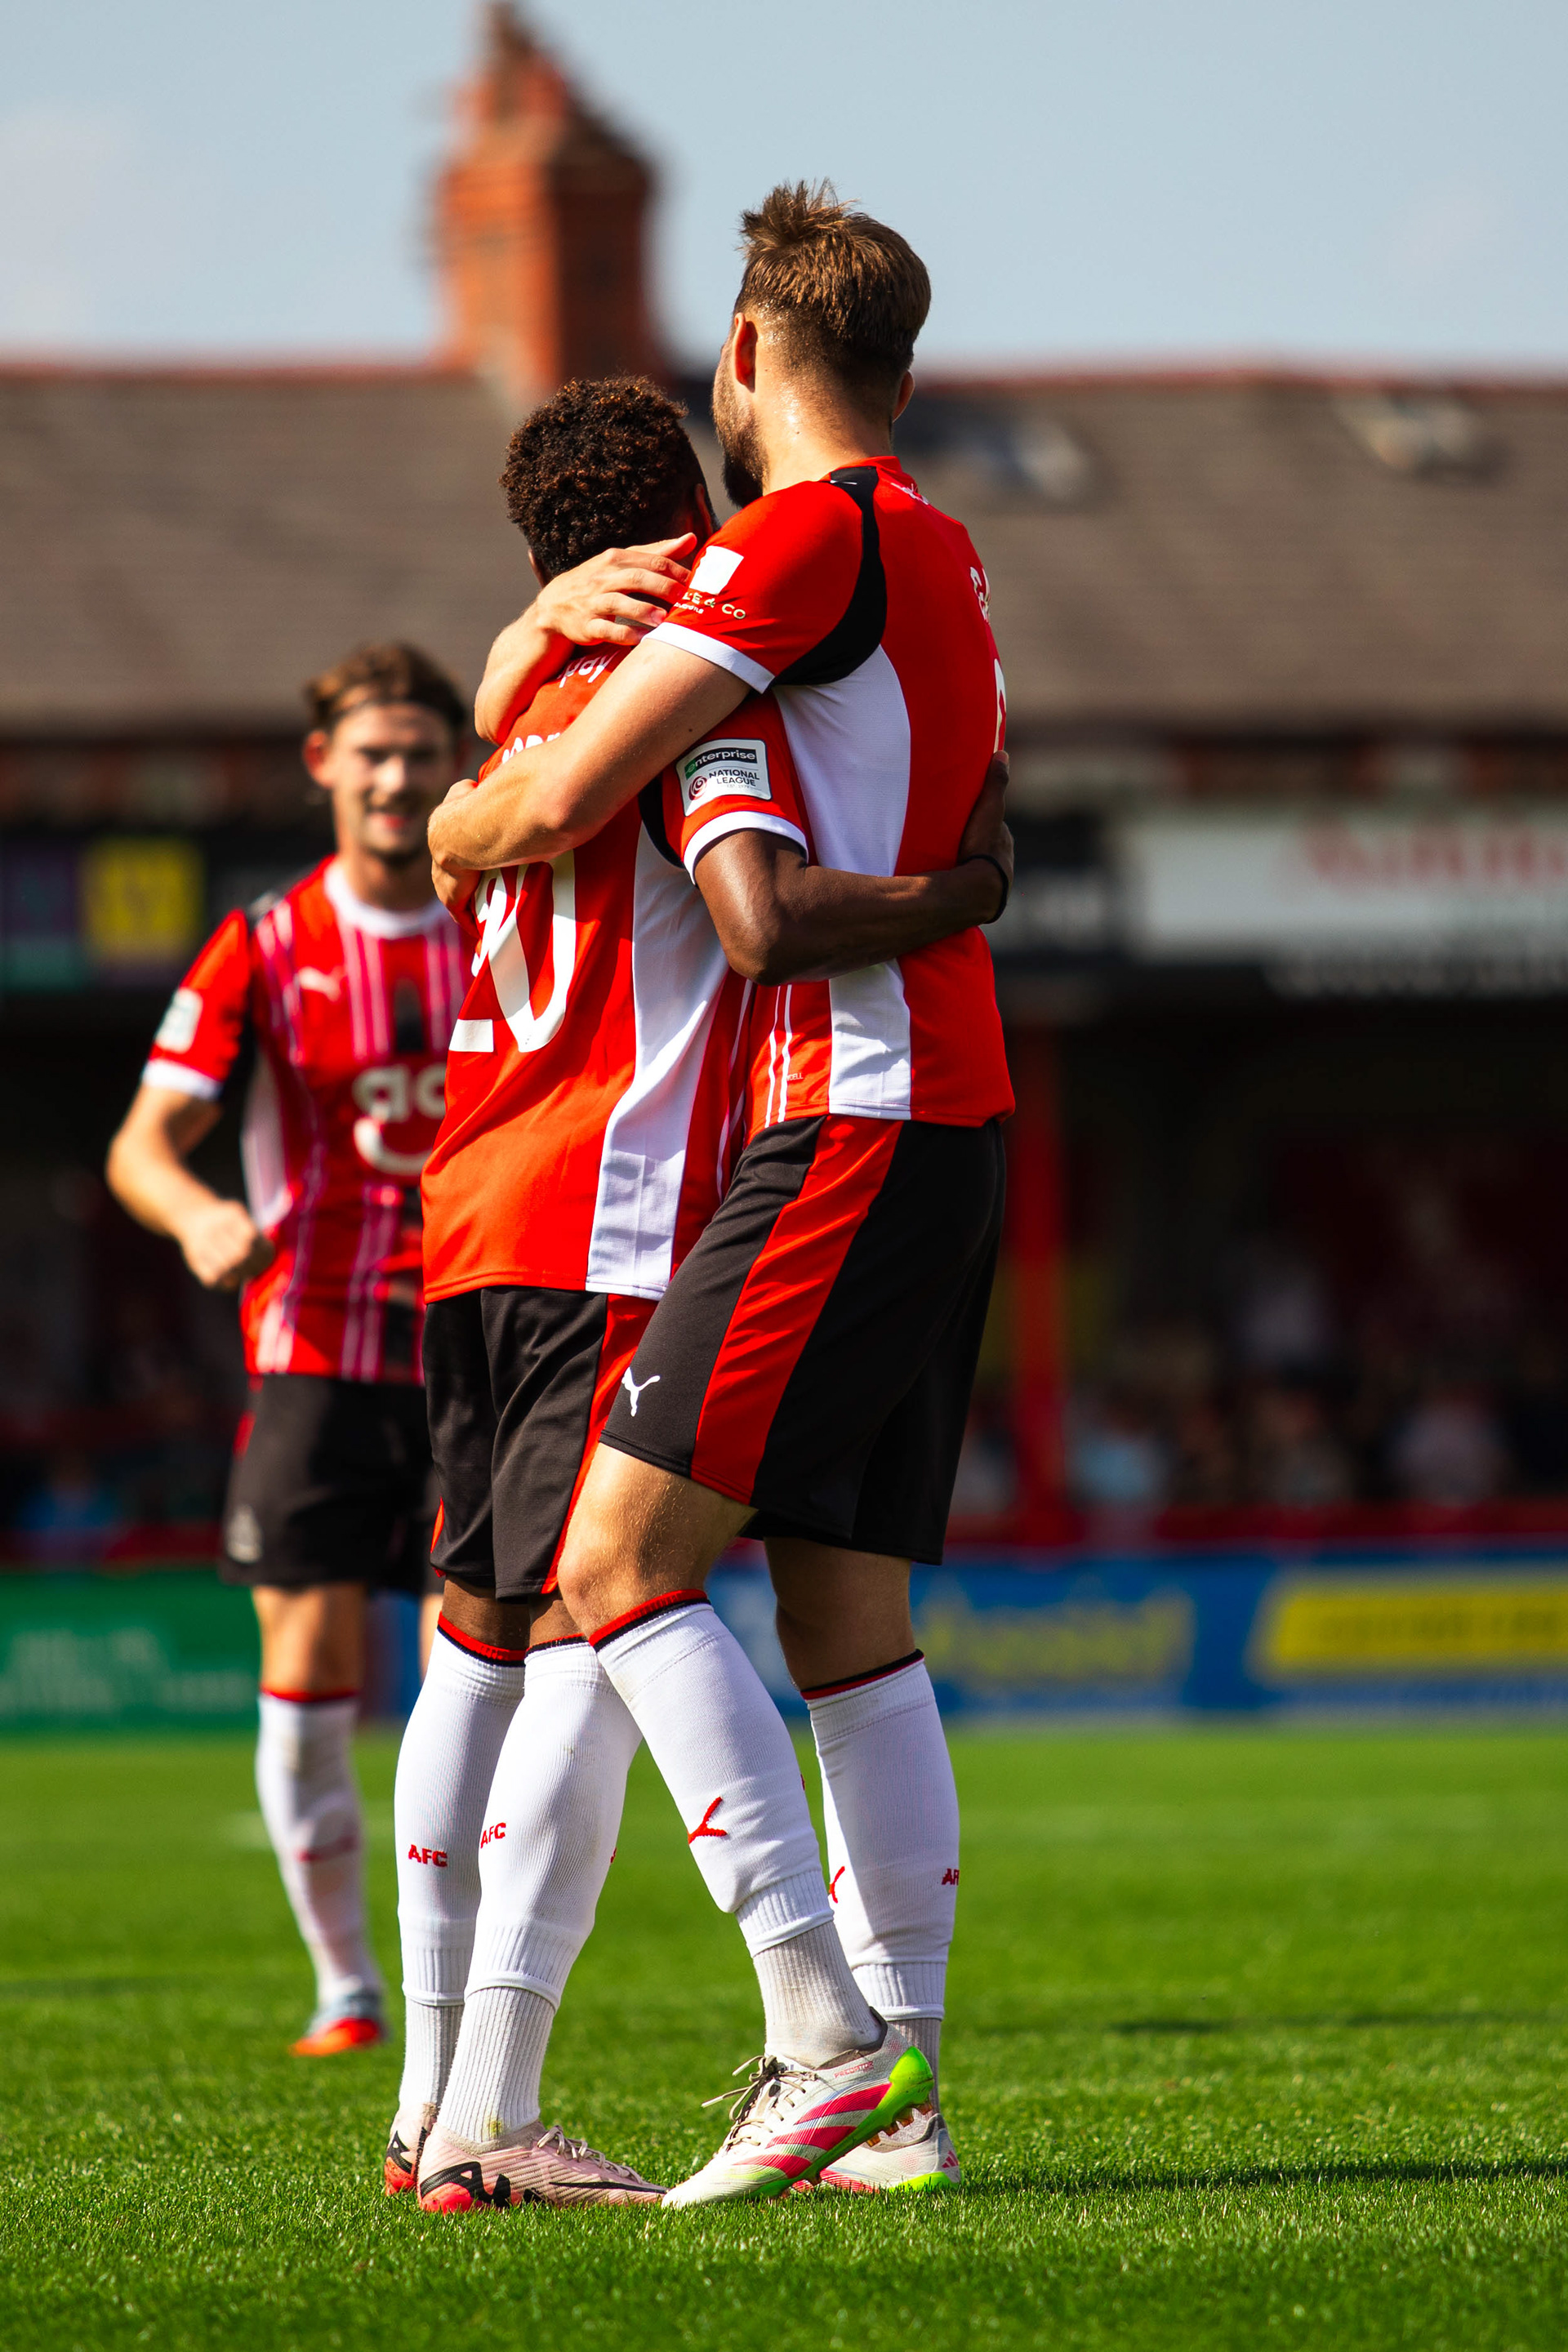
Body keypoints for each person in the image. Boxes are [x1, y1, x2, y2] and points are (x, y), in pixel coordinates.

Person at [425, 185, 1013, 2207]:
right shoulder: (947, 550)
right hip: (948, 1108)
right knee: (850, 1617)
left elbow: (584, 811)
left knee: (614, 1567)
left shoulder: (785, 552)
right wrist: (963, 894)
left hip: (834, 1119)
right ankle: (898, 2094)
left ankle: (822, 2039)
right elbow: (971, 820)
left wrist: (463, 783)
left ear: (753, 356)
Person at [106, 644, 471, 2057]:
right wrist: (199, 1216)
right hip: (314, 1352)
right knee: (311, 1677)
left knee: (478, 1680)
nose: (395, 778)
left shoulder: (496, 916)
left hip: (483, 1350)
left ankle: (474, 1989)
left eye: (420, 752)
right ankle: (347, 1988)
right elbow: (144, 1145)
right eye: (371, 753)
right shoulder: (261, 945)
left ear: (456, 766)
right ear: (324, 765)